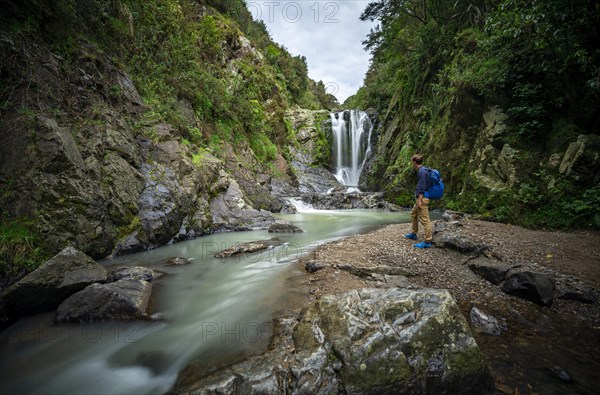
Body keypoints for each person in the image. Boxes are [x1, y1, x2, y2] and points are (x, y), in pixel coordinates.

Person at [405, 154, 432, 248]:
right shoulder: (424, 170)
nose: (412, 164)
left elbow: (422, 187)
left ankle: (427, 242)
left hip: (422, 198)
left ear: (415, 162)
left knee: (425, 220)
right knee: (413, 214)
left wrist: (419, 201)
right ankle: (414, 233)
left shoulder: (422, 172)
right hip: (420, 198)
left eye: (412, 162)